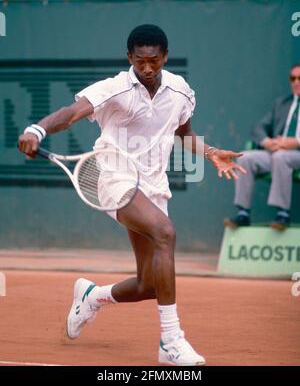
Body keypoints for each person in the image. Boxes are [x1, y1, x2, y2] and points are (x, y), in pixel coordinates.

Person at [18, 24, 246, 366]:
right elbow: (72, 113)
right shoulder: (114, 89)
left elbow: (183, 133)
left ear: (165, 57)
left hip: (153, 186)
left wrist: (210, 151)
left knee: (150, 285)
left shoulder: (181, 91)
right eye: (140, 61)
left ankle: (93, 297)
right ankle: (171, 341)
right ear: (130, 58)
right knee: (166, 233)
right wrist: (38, 128)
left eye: (154, 61)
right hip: (113, 177)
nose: (147, 68)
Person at [224, 63, 300, 231]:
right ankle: (243, 213)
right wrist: (267, 142)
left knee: (281, 157)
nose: (296, 82)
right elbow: (258, 128)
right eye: (292, 78)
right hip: (277, 151)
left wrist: (294, 142)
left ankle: (283, 214)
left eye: (299, 78)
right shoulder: (283, 103)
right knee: (246, 157)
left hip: (295, 154)